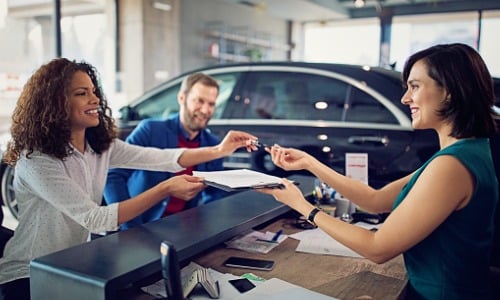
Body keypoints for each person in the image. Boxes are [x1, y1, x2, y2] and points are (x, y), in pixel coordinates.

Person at [0, 58, 258, 300]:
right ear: (55, 104)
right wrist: (166, 188)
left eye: (93, 91)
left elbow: (160, 158)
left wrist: (219, 150)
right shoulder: (36, 160)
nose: (95, 99)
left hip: (71, 264)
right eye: (82, 93)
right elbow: (96, 218)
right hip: (27, 274)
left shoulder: (99, 147)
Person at [256, 43, 499, 299]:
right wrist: (310, 163)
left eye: (415, 86)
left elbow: (377, 248)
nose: (406, 98)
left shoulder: (451, 166)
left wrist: (302, 206)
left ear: (449, 91)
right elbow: (375, 200)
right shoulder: (467, 151)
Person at [104, 73, 228, 230]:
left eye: (211, 104)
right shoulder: (150, 130)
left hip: (183, 228)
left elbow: (214, 194)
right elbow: (113, 176)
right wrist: (128, 225)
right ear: (182, 98)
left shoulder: (213, 145)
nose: (205, 110)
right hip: (142, 225)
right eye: (199, 101)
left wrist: (206, 227)